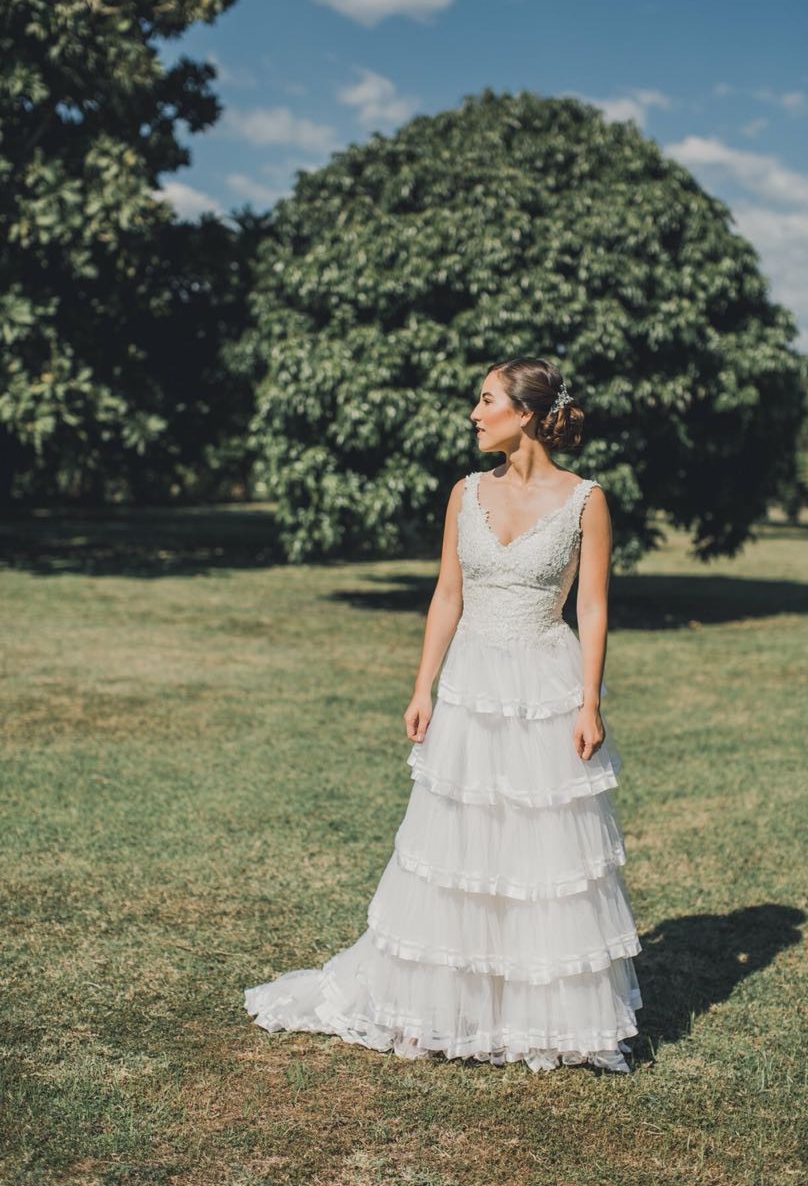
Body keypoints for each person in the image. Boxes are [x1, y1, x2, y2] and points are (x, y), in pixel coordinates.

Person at [244, 356, 643, 1073]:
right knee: (461, 840)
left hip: (544, 684)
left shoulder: (587, 500)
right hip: (469, 683)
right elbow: (446, 597)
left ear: (524, 413)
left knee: (540, 849)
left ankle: (536, 1011)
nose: (472, 414)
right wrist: (422, 686)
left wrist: (588, 701)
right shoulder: (464, 493)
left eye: (484, 400)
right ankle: (443, 1001)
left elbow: (591, 605)